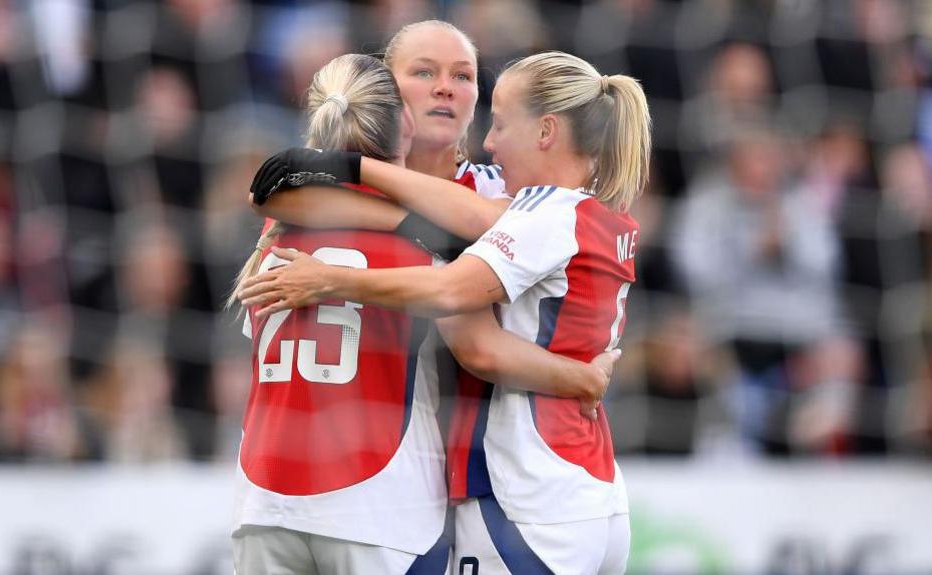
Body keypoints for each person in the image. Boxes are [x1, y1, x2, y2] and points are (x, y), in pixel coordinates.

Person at [242, 50, 651, 574]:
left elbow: (457, 300)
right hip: (578, 485)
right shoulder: (593, 215)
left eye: (500, 123)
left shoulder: (534, 213)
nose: (490, 140)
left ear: (546, 131)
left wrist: (332, 273)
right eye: (423, 71)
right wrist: (581, 376)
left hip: (522, 494)